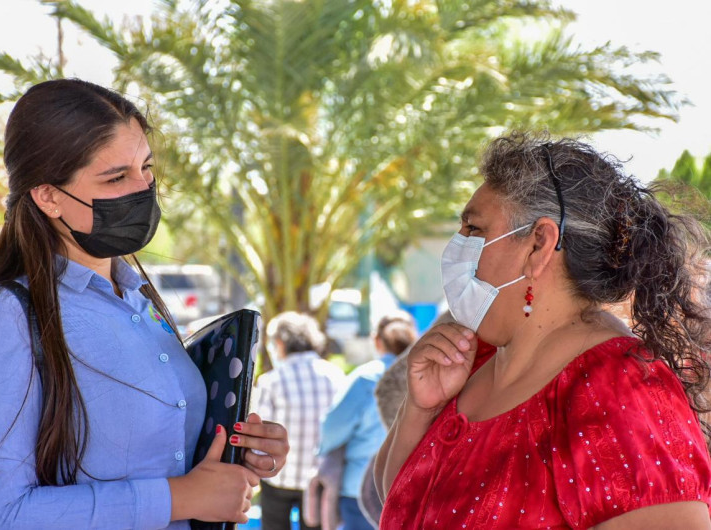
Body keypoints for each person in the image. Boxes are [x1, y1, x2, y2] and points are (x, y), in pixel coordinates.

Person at [0, 78, 289, 529]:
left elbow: (164, 459)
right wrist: (180, 497)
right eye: (116, 177)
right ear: (47, 196)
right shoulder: (5, 314)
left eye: (146, 168)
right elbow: (0, 517)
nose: (143, 188)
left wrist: (236, 457)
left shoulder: (138, 299)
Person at [375, 131, 711, 529]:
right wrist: (421, 409)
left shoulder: (620, 388)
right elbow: (398, 500)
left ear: (539, 244)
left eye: (474, 229)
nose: (458, 245)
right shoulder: (472, 356)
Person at [318, 310, 418, 530]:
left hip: (360, 491)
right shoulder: (426, 376)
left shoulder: (366, 378)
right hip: (411, 492)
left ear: (376, 340)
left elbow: (330, 430)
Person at [253, 311, 345, 530]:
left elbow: (259, 433)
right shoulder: (336, 377)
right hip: (318, 481)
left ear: (280, 344)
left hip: (278, 477)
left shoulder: (271, 381)